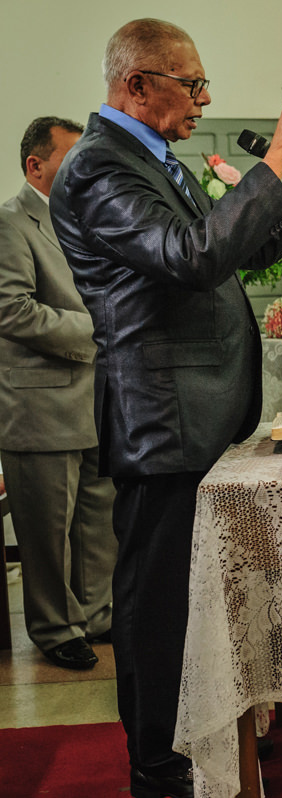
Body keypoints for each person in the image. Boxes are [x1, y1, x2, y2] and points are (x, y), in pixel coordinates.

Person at [50, 18, 282, 798]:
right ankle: (158, 769)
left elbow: (241, 248)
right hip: (162, 418)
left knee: (197, 596)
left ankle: (205, 732)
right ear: (136, 84)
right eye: (193, 84)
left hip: (199, 411)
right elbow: (192, 258)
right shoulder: (96, 169)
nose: (204, 99)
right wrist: (273, 159)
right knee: (156, 610)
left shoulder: (155, 160)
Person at [0, 116, 116, 670]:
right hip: (40, 402)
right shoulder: (10, 223)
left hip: (96, 396)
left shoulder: (86, 222)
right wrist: (98, 332)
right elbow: (11, 309)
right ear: (35, 165)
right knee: (47, 529)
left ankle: (96, 614)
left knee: (97, 515)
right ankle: (54, 627)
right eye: (71, 158)